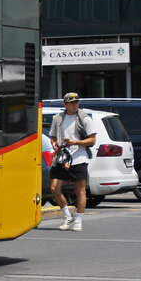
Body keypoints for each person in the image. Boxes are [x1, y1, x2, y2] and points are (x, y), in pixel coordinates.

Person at [49, 92, 96, 232]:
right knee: (54, 188)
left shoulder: (85, 118)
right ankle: (67, 215)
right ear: (65, 104)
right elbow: (53, 137)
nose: (75, 105)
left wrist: (76, 142)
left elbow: (92, 140)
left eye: (77, 102)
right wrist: (54, 144)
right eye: (72, 103)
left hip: (79, 157)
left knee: (79, 190)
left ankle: (79, 219)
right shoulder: (57, 118)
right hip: (62, 157)